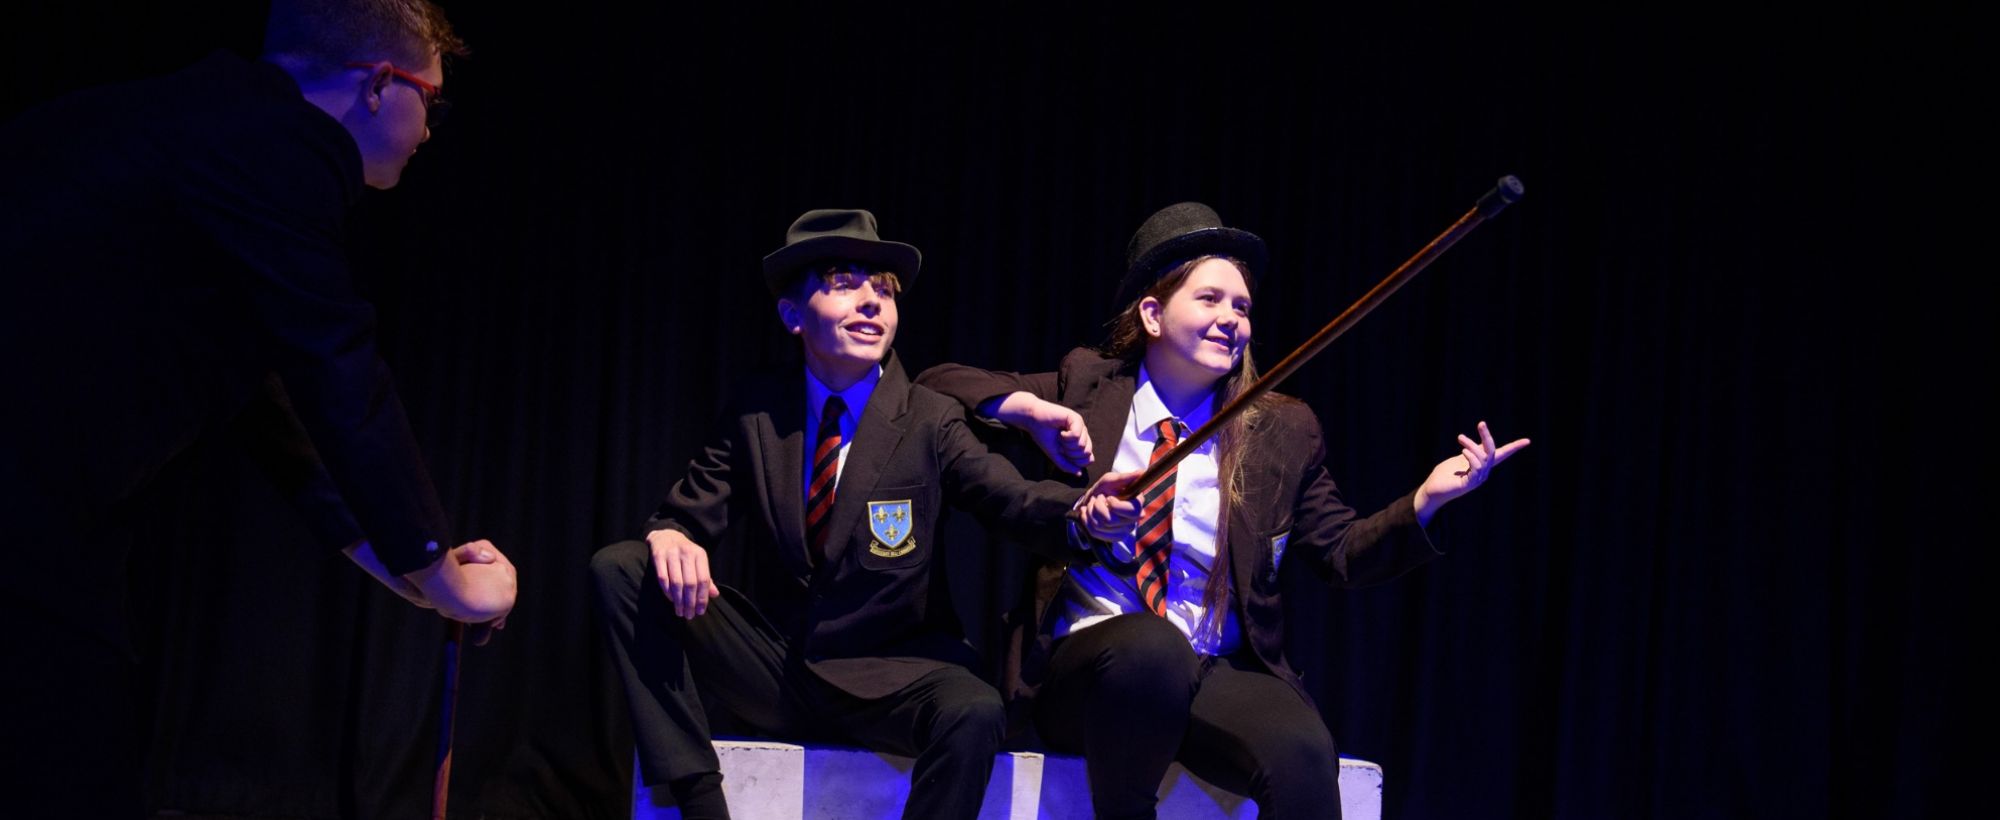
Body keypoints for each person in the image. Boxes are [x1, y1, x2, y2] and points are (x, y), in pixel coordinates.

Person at [0, 1, 515, 815]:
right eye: (432, 102)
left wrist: (413, 571)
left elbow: (271, 404)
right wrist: (445, 579)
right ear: (380, 85)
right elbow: (338, 371)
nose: (428, 132)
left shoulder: (197, 124)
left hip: (48, 512)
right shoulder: (276, 149)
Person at [916, 202, 1529, 819]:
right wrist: (1027, 411)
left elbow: (1341, 553)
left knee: (1302, 751)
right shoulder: (1086, 387)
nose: (1231, 319)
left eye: (1242, 307)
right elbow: (939, 385)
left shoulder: (1280, 430)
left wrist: (1426, 501)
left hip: (1211, 668)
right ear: (1152, 314)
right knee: (1152, 649)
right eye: (1209, 299)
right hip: (1091, 674)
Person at [589, 208, 1139, 820]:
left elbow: (1009, 496)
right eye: (844, 284)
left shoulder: (929, 417)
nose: (872, 302)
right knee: (624, 567)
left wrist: (1082, 512)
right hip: (782, 670)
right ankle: (698, 801)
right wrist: (673, 532)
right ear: (793, 315)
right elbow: (691, 508)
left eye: (884, 290)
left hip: (894, 676)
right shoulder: (759, 411)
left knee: (974, 710)